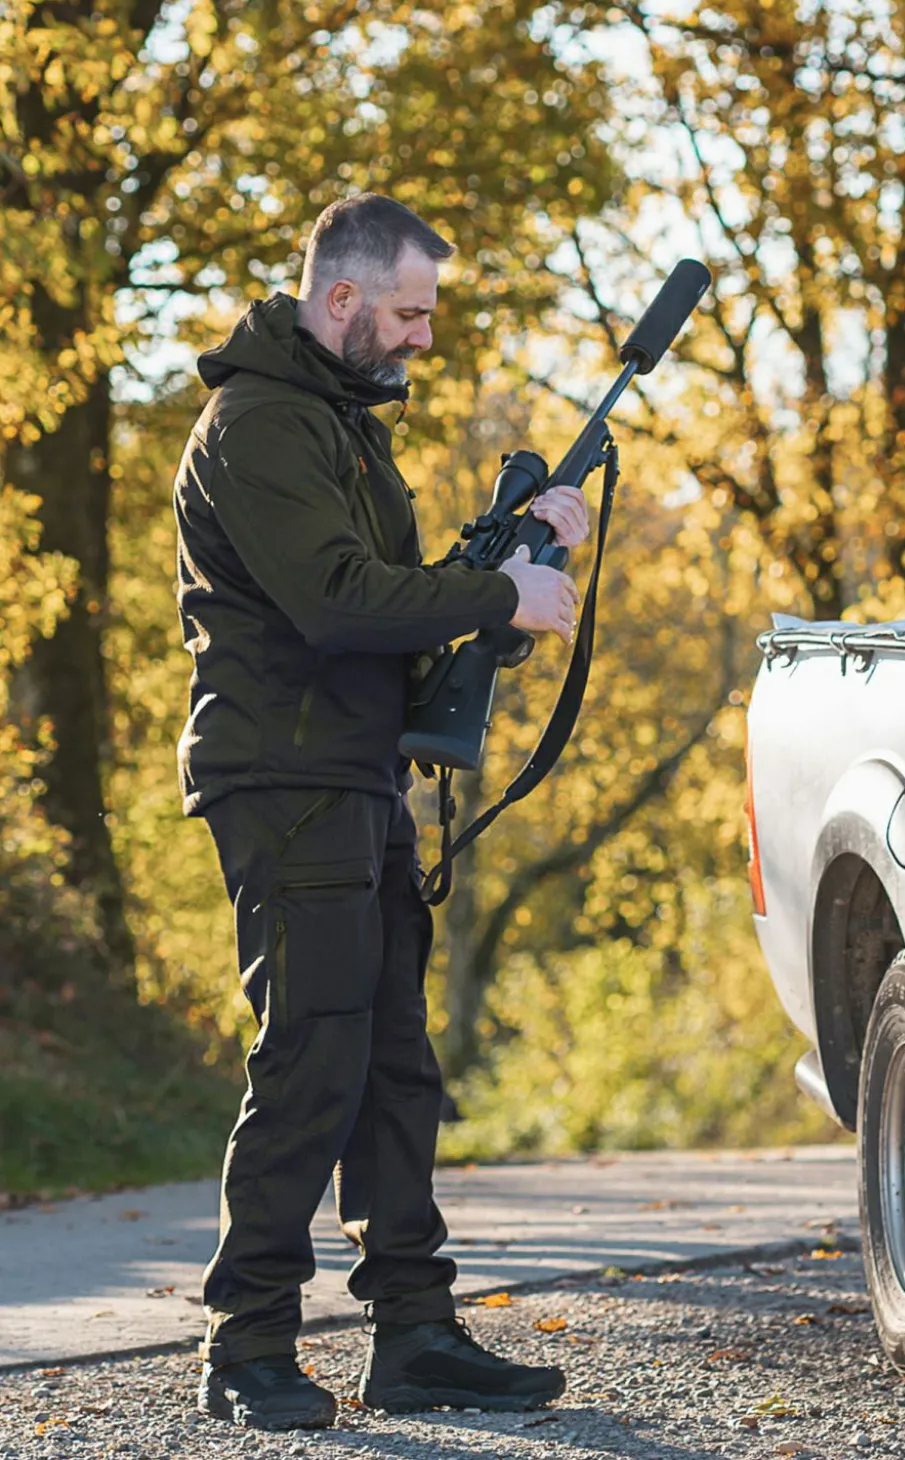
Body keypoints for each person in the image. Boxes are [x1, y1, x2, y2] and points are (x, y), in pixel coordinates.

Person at [174, 193, 589, 1431]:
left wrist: (514, 566)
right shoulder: (258, 423)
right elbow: (337, 601)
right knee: (312, 1057)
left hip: (358, 776)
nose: (422, 335)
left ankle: (413, 1335)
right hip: (284, 779)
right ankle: (246, 1345)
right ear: (342, 296)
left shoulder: (342, 426)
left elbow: (395, 620)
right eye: (409, 311)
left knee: (395, 1065)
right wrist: (494, 595)